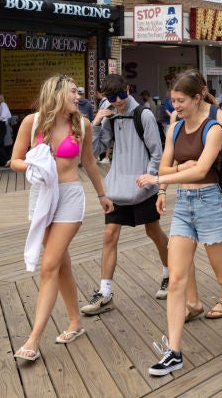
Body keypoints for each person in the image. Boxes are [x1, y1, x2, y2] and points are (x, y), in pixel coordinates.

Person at [136, 70, 222, 376]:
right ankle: (173, 351)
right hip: (184, 206)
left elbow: (202, 168)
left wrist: (161, 178)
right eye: (172, 101)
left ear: (197, 98)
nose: (175, 106)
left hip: (210, 203)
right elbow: (167, 161)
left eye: (180, 101)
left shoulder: (214, 127)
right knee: (176, 280)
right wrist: (163, 188)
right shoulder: (175, 127)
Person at [9, 75, 113, 360]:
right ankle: (76, 321)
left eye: (77, 93)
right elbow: (15, 159)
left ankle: (33, 339)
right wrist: (33, 165)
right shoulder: (33, 123)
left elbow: (89, 162)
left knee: (49, 265)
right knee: (61, 263)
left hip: (69, 198)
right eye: (71, 93)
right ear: (55, 94)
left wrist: (102, 195)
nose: (77, 97)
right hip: (42, 197)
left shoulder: (82, 124)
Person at [80, 74, 170, 316]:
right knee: (110, 234)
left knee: (153, 231)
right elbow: (96, 150)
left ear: (127, 89)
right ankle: (105, 292)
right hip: (118, 186)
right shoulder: (108, 112)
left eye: (121, 95)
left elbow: (157, 152)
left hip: (143, 187)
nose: (118, 101)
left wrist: (150, 178)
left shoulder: (144, 115)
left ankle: (170, 274)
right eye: (111, 97)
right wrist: (96, 122)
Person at [0, 94, 12, 167]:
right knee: (0, 144)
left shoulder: (3, 105)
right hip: (1, 125)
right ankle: (1, 161)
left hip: (1, 125)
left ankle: (6, 159)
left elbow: (3, 116)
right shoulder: (2, 105)